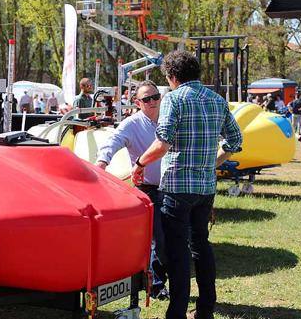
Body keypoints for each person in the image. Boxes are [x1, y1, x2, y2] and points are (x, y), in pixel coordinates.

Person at [131, 51, 242, 319]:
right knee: (201, 246)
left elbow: (162, 143)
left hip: (177, 188)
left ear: (171, 77)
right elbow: (235, 141)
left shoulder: (174, 99)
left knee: (178, 252)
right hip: (205, 188)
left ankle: (177, 312)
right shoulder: (217, 100)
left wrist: (140, 164)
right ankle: (205, 310)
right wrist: (211, 162)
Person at [95, 80, 168, 299]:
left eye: (155, 97)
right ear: (137, 102)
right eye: (147, 99)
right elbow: (113, 142)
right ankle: (155, 284)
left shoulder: (168, 119)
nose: (153, 102)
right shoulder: (131, 124)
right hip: (146, 189)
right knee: (158, 238)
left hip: (171, 186)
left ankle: (156, 280)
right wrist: (101, 162)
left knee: (171, 238)